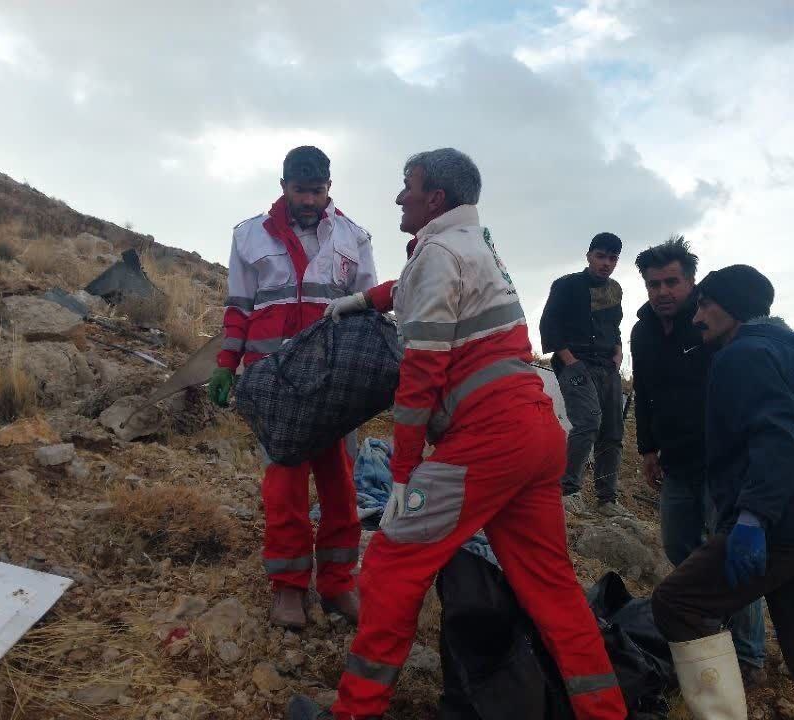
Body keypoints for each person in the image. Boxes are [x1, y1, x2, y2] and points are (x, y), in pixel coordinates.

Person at [298, 148, 628, 720]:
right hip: (537, 434)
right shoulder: (475, 246)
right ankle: (605, 711)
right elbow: (416, 291)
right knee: (551, 587)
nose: (399, 196)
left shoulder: (438, 253)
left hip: (489, 438)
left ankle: (354, 711)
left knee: (391, 565)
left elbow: (420, 371)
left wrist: (403, 472)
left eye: (408, 186)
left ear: (436, 199)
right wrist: (363, 299)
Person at [649, 265, 794, 720]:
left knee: (677, 600)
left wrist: (753, 517)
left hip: (780, 522)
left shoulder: (743, 355)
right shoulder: (784, 353)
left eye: (706, 304)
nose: (697, 316)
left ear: (735, 308)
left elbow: (776, 438)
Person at [206, 146, 377, 630]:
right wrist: (226, 363)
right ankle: (288, 588)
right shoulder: (248, 236)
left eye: (318, 191)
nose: (310, 199)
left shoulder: (354, 237)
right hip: (274, 383)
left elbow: (367, 307)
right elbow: (238, 307)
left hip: (332, 386)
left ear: (329, 188)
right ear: (283, 187)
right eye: (301, 190)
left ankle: (339, 584)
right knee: (284, 490)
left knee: (342, 488)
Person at [629, 237, 767, 686]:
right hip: (676, 460)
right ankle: (709, 623)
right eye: (654, 284)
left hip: (723, 461)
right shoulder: (642, 330)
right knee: (678, 547)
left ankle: (748, 655)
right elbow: (644, 394)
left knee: (728, 553)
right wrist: (647, 448)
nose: (663, 291)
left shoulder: (711, 325)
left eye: (672, 281)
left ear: (690, 282)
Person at [538, 232, 626, 516]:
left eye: (612, 258)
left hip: (607, 365)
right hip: (575, 362)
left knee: (612, 432)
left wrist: (618, 352)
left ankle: (607, 500)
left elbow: (615, 325)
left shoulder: (615, 290)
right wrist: (570, 360)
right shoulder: (566, 285)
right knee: (588, 421)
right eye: (601, 256)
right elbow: (549, 324)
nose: (606, 263)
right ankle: (567, 491)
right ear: (588, 255)